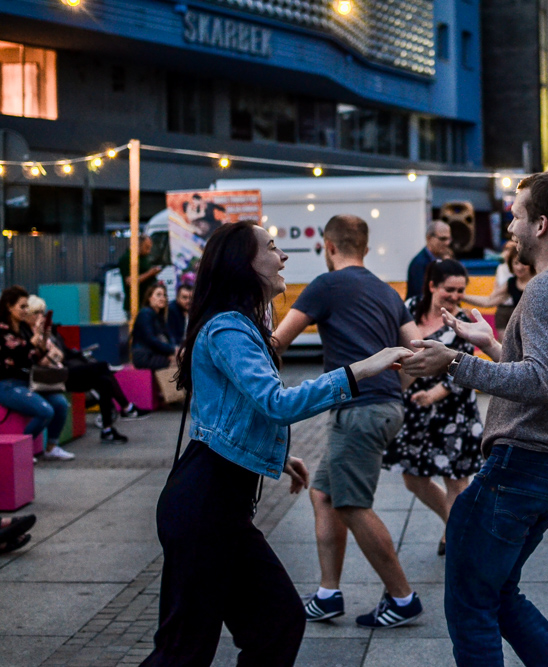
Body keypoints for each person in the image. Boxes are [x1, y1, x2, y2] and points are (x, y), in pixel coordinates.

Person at [141, 221, 411, 666]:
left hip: (220, 504)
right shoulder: (227, 329)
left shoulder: (238, 325)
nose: (283, 256)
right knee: (184, 652)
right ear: (243, 264)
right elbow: (275, 403)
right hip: (204, 505)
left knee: (278, 623)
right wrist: (361, 369)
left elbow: (223, 409)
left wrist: (277, 454)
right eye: (271, 247)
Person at [402, 171, 548, 667]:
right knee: (500, 595)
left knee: (471, 602)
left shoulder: (546, 287)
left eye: (516, 216)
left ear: (541, 224)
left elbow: (540, 381)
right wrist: (492, 345)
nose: (510, 228)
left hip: (522, 466)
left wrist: (453, 362)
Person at [272, 214, 424, 629]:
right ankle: (328, 594)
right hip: (385, 406)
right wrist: (394, 389)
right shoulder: (386, 290)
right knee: (323, 493)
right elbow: (415, 351)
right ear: (366, 248)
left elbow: (277, 341)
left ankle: (403, 598)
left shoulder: (325, 285)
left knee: (352, 504)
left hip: (358, 410)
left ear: (329, 246)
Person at [383, 259, 484, 556]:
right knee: (413, 478)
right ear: (431, 286)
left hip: (454, 411)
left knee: (456, 481)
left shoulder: (462, 322)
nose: (455, 296)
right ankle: (453, 523)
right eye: (449, 289)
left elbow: (464, 371)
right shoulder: (410, 308)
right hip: (415, 409)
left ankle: (456, 540)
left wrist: (432, 395)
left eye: (460, 291)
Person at [26, 296, 146, 444]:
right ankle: (127, 408)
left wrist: (50, 344)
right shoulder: (29, 335)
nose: (41, 317)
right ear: (28, 315)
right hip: (52, 377)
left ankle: (107, 429)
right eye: (36, 313)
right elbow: (44, 360)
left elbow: (62, 354)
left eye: (43, 313)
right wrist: (45, 342)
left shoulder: (49, 333)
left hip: (64, 371)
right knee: (102, 366)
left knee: (104, 381)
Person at [0, 287, 72, 461]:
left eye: (27, 306)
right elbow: (17, 356)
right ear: (9, 306)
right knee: (45, 411)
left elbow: (36, 357)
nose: (26, 310)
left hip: (29, 381)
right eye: (22, 306)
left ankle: (52, 447)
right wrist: (34, 341)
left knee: (61, 404)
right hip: (7, 384)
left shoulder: (23, 328)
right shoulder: (3, 330)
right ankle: (20, 452)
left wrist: (43, 337)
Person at [463, 253, 534, 340]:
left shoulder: (538, 280)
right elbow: (489, 301)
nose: (519, 267)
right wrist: (462, 296)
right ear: (510, 265)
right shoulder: (511, 283)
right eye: (516, 263)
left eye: (523, 264)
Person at [131, 284, 176, 371]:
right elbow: (150, 339)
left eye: (164, 295)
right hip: (145, 356)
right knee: (177, 362)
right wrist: (172, 350)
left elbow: (168, 337)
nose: (162, 298)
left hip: (155, 354)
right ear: (149, 298)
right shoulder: (145, 313)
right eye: (158, 295)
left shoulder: (160, 317)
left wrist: (174, 350)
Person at [406, 220, 452, 300]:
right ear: (429, 238)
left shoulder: (443, 258)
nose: (447, 243)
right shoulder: (419, 263)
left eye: (449, 239)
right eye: (442, 239)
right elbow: (421, 295)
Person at [117, 234, 162, 311]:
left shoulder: (143, 257)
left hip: (148, 302)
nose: (149, 251)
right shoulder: (127, 258)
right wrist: (150, 273)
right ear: (138, 245)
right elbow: (130, 281)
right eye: (146, 247)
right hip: (137, 303)